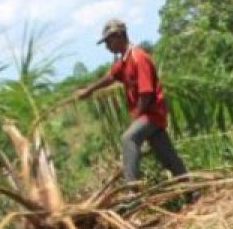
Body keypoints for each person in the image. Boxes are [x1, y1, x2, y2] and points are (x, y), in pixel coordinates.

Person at [75, 19, 188, 184]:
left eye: (108, 41)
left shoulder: (138, 57)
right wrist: (89, 90)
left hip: (152, 114)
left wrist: (137, 116)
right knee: (167, 155)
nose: (107, 46)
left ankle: (131, 190)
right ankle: (190, 189)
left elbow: (147, 93)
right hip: (148, 116)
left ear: (119, 36)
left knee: (128, 138)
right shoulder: (124, 60)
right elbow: (110, 77)